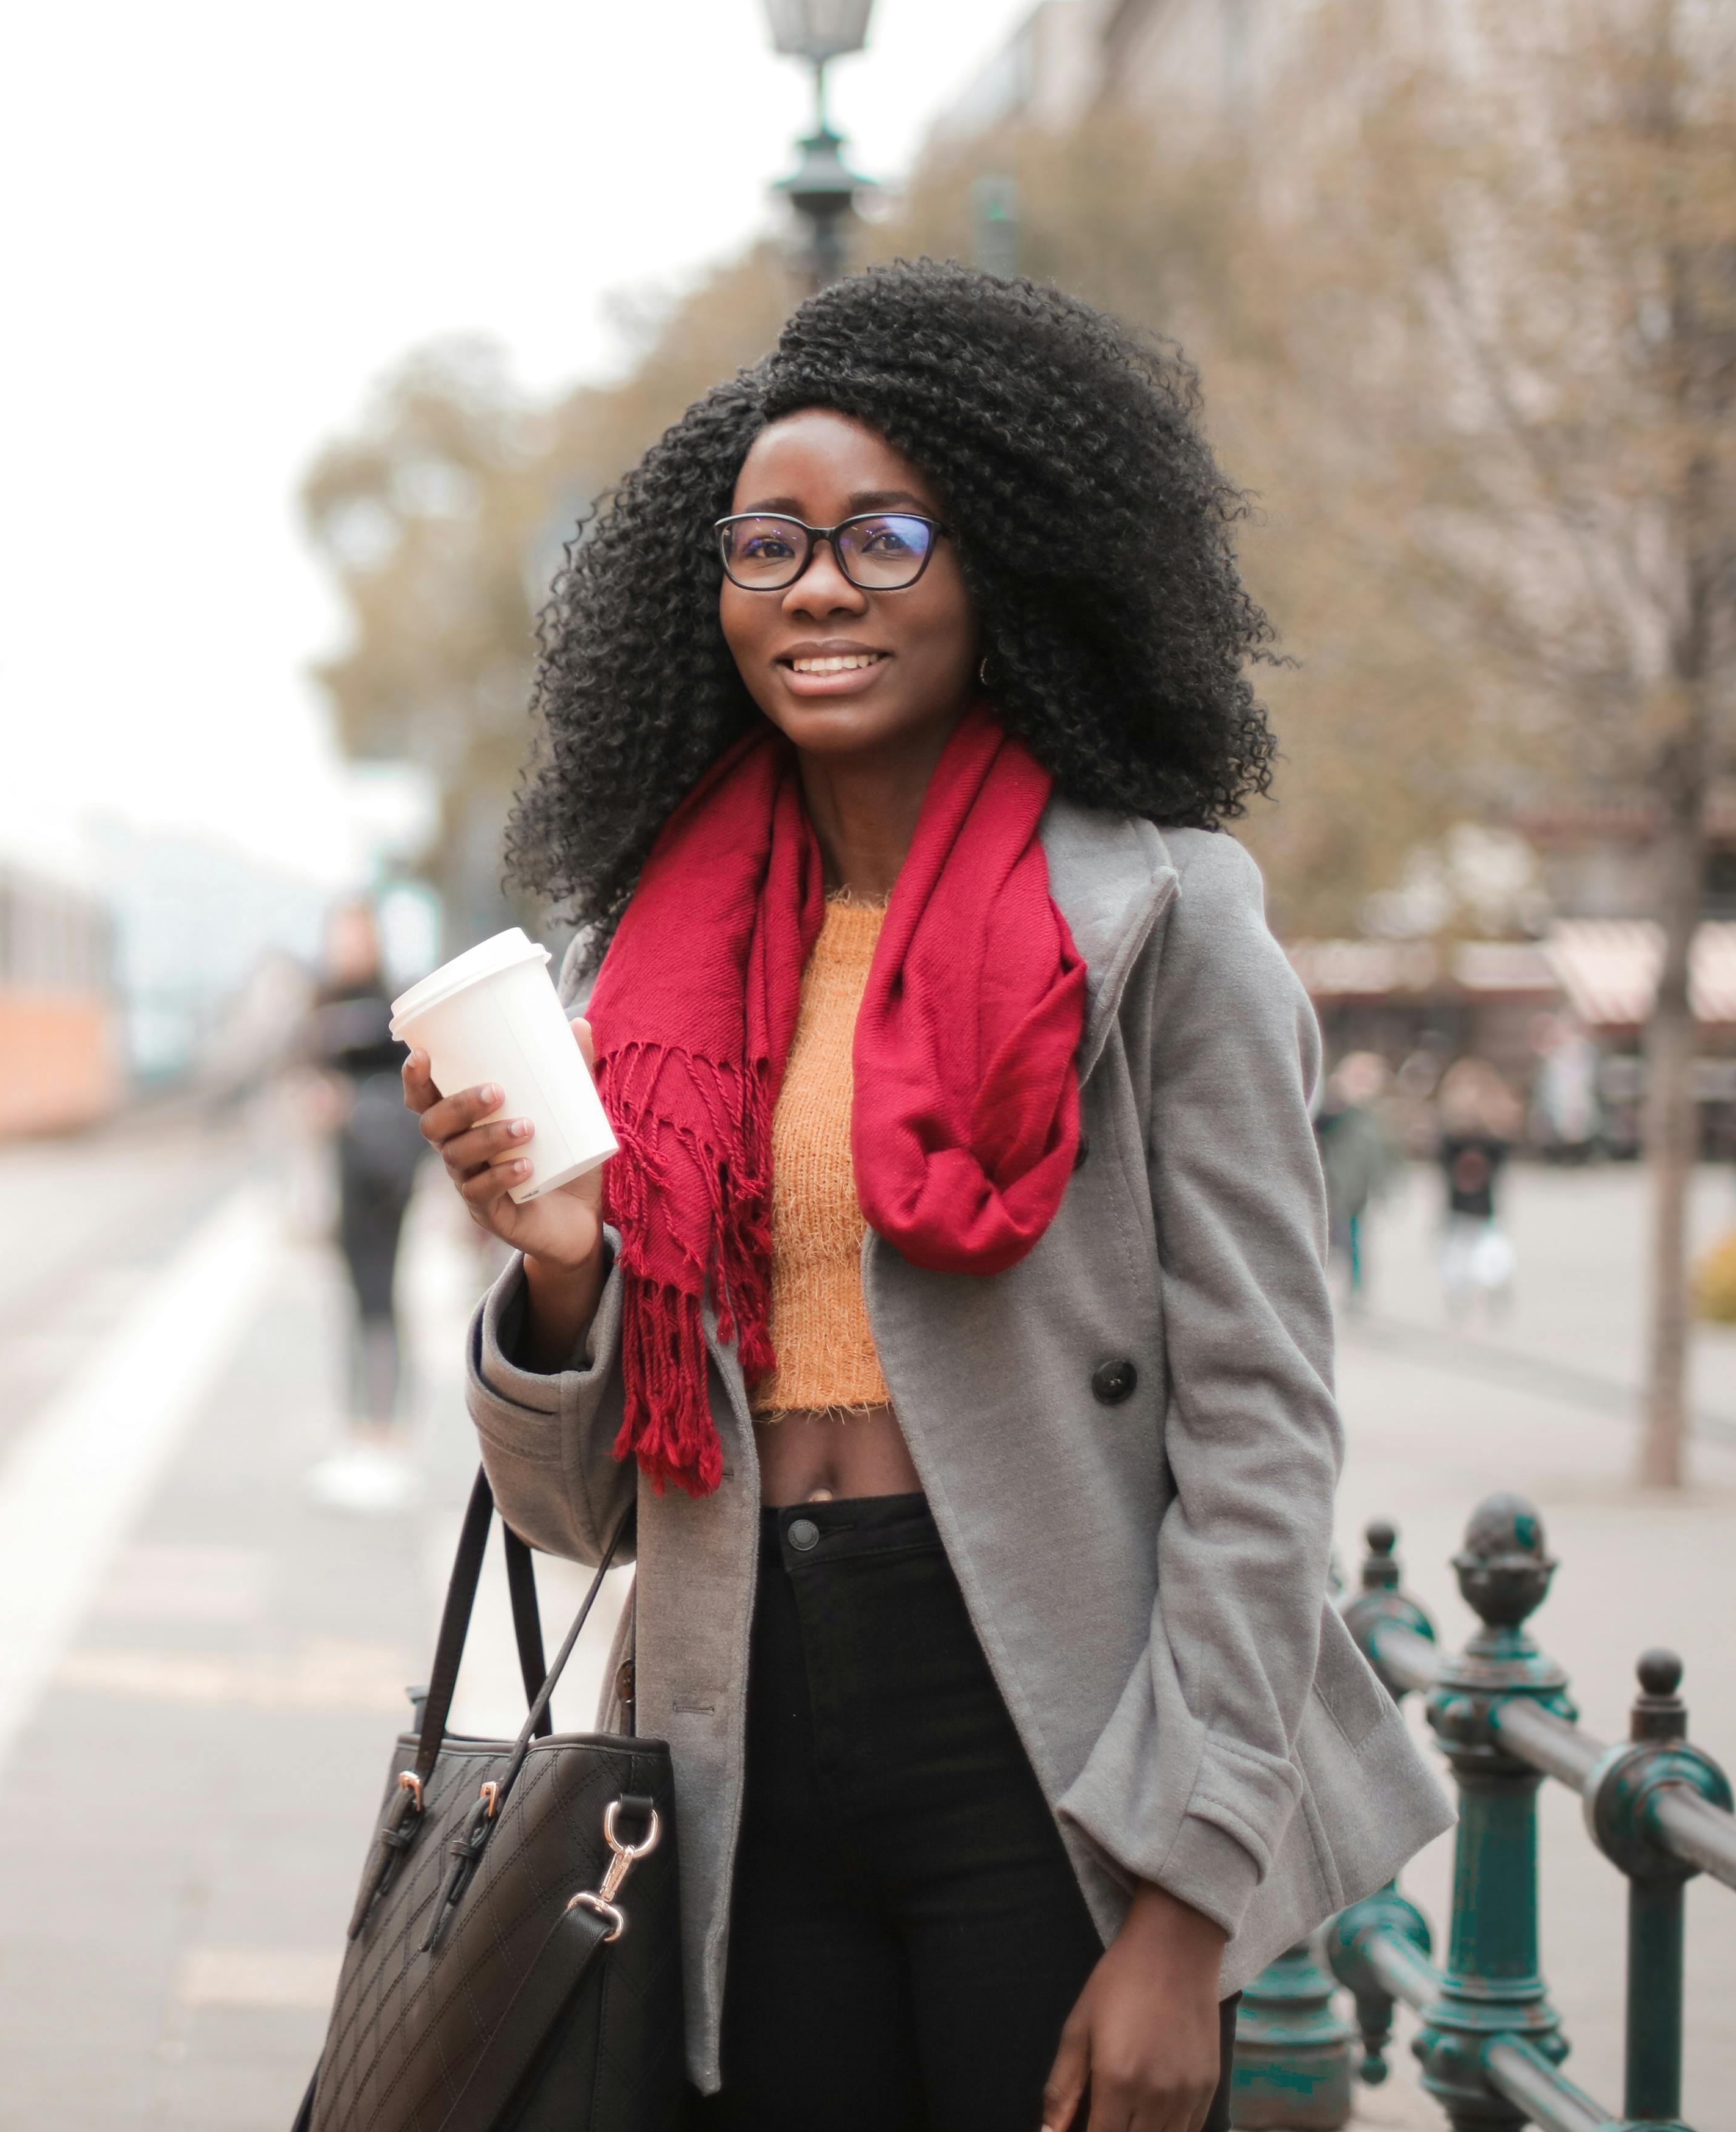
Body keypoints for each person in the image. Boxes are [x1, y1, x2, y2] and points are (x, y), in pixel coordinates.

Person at [407, 264, 1448, 2132]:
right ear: (702, 587)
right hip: (735, 1741)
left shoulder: (1161, 918)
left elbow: (1261, 1433)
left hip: (1042, 1728)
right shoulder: (641, 971)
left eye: (884, 535)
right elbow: (581, 1514)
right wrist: (561, 1273)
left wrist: (1183, 1913)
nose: (818, 584)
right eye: (768, 541)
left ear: (1004, 567)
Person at [302, 900, 429, 1508]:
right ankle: (358, 1430)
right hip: (346, 1169)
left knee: (382, 1293)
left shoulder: (391, 1002)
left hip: (387, 1171)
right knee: (354, 1297)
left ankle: (387, 1432)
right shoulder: (321, 1001)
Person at [1314, 1050, 1400, 1314]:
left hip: (1359, 1194)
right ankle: (1316, 1290)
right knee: (1327, 1243)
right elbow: (1320, 1129)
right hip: (1335, 1190)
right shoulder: (1337, 1110)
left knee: (1355, 1244)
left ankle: (1356, 1292)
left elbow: (1385, 1156)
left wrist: (1384, 1190)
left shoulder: (1378, 1115)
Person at [1431, 1060, 1516, 1326]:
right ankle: (1459, 1299)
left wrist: (1489, 1119)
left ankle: (1494, 1293)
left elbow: (1503, 1154)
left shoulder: (1492, 1140)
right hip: (1457, 1209)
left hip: (1485, 1209)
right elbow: (1442, 1157)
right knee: (1455, 1260)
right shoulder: (1451, 1139)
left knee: (1493, 1257)